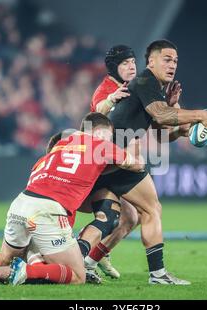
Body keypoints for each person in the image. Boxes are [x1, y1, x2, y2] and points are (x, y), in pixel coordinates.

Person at [0, 112, 144, 285]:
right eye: (108, 135)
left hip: (21, 203)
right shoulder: (101, 145)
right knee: (77, 276)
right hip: (49, 210)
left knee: (5, 256)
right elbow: (137, 164)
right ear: (98, 132)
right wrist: (135, 139)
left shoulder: (57, 147)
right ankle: (20, 270)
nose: (110, 140)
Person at [84, 39, 207, 285]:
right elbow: (160, 114)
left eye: (176, 61)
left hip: (105, 159)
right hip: (115, 158)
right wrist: (203, 114)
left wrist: (182, 131)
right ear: (151, 62)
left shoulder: (150, 86)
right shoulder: (146, 81)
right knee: (151, 209)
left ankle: (85, 262)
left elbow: (159, 132)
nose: (172, 65)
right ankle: (157, 275)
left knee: (124, 218)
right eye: (166, 59)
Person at [78, 45, 138, 280]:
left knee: (131, 218)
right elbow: (98, 109)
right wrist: (111, 99)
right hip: (100, 167)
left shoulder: (132, 88)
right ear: (114, 68)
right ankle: (84, 254)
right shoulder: (106, 89)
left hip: (114, 164)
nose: (132, 66)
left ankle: (95, 255)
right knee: (137, 214)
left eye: (133, 61)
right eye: (125, 63)